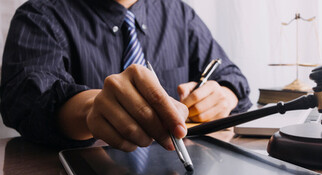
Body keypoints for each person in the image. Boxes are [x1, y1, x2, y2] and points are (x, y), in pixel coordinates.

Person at [1, 0, 252, 151]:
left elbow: (230, 75)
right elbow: (25, 100)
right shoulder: (39, 16)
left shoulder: (180, 13)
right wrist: (92, 109)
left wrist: (224, 96)